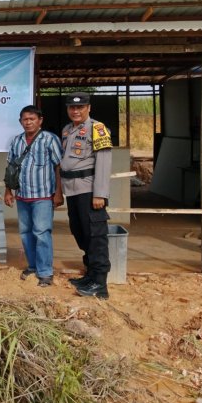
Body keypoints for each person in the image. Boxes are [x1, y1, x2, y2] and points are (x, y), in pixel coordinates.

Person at [60, 91, 113, 299]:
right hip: (72, 190)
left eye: (80, 107)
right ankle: (90, 275)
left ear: (88, 108)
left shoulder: (97, 129)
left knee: (95, 236)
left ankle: (100, 284)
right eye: (72, 107)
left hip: (89, 190)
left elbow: (104, 161)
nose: (76, 111)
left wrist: (100, 193)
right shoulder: (67, 130)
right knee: (80, 232)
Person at [4, 105, 64, 287]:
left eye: (32, 119)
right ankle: (32, 266)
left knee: (42, 232)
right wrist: (8, 190)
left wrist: (59, 193)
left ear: (40, 120)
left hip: (43, 195)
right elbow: (10, 168)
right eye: (25, 119)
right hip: (22, 195)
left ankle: (45, 272)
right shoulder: (16, 141)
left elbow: (58, 167)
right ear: (20, 121)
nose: (28, 122)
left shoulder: (49, 139)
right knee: (25, 233)